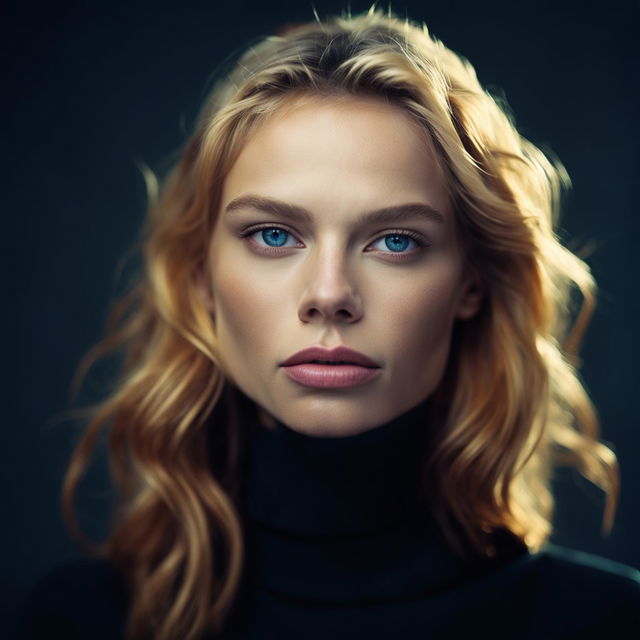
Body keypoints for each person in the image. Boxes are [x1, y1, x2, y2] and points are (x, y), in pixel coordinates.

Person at [20, 7, 640, 640]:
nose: (329, 295)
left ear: (471, 285)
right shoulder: (78, 621)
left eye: (395, 241)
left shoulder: (608, 623)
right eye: (272, 234)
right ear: (200, 276)